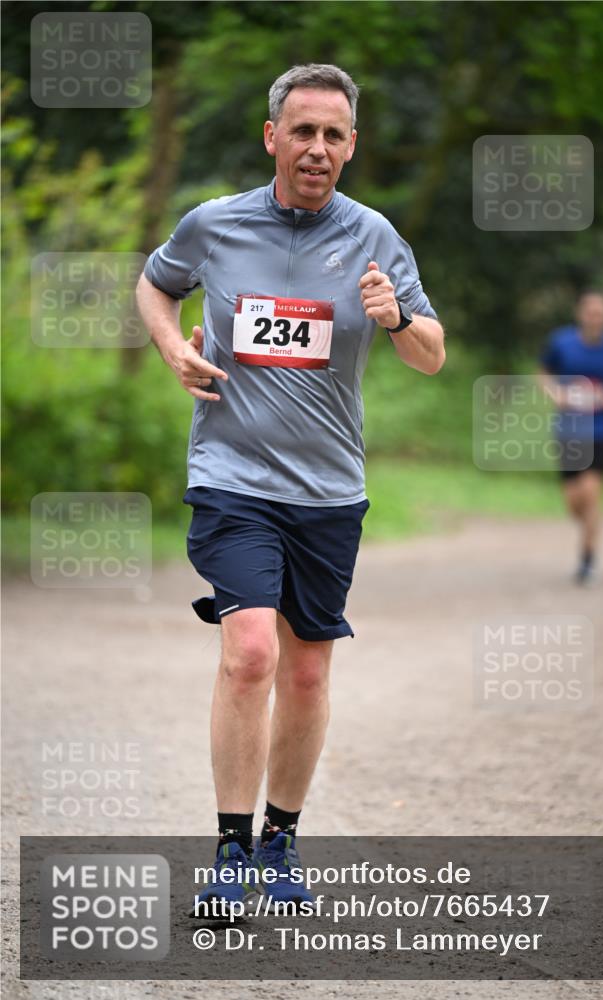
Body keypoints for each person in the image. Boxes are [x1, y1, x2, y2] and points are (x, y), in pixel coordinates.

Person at [135, 63, 445, 911]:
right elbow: (156, 284)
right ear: (272, 136)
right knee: (250, 655)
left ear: (351, 147)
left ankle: (280, 840)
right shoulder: (215, 224)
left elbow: (431, 353)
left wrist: (395, 317)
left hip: (328, 491)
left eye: (332, 135)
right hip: (232, 479)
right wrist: (172, 347)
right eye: (302, 131)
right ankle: (230, 851)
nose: (316, 148)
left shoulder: (375, 237)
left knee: (305, 675)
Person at [539, 291, 603, 585]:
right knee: (574, 501)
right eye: (591, 313)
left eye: (601, 314)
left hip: (601, 429)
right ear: (580, 314)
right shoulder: (562, 343)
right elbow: (543, 373)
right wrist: (557, 394)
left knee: (591, 492)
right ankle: (591, 526)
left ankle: (587, 560)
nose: (596, 318)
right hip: (569, 429)